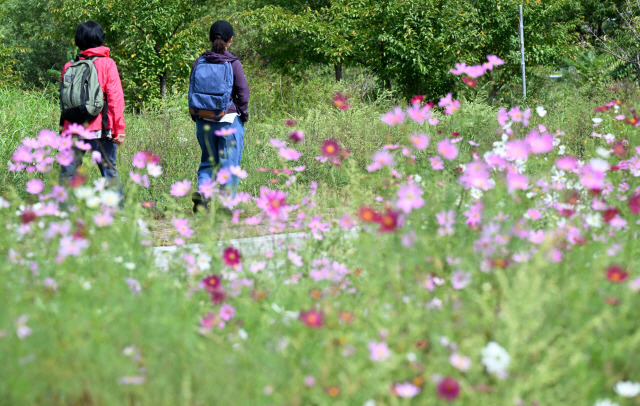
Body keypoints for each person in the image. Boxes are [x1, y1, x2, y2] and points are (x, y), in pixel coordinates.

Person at [59, 21, 126, 200]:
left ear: (78, 40)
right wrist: (118, 128)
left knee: (68, 173)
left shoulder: (69, 66)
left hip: (73, 128)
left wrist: (62, 131)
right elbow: (115, 99)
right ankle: (117, 217)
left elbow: (65, 101)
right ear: (100, 38)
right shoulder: (107, 64)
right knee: (109, 172)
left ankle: (63, 214)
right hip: (100, 128)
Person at [190, 20, 250, 213]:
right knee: (229, 163)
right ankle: (226, 205)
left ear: (210, 38)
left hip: (203, 120)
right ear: (230, 40)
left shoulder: (199, 62)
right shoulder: (233, 63)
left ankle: (203, 193)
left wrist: (198, 116)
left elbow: (192, 91)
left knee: (208, 160)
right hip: (228, 121)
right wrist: (242, 114)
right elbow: (243, 93)